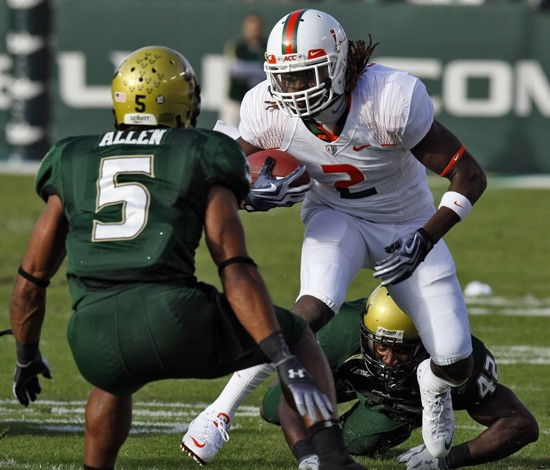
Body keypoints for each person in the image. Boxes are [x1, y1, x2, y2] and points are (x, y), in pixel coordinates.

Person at [8, 45, 368, 470]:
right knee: (297, 333)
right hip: (175, 318)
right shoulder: (204, 149)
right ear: (184, 103)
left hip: (92, 335)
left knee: (111, 381)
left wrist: (26, 355)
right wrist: (281, 355)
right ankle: (332, 456)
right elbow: (234, 267)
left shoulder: (70, 155)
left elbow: (30, 280)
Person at [182, 7, 488, 465]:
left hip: (407, 224)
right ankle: (219, 411)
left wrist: (424, 238)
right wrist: (246, 193)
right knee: (313, 306)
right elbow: (217, 173)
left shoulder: (390, 96)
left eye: (306, 76)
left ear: (339, 64)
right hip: (335, 214)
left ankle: (433, 383)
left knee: (456, 362)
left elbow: (468, 175)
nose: (292, 91)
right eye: (284, 79)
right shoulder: (266, 108)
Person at [261, 285, 539, 469]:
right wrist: (305, 454)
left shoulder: (456, 359)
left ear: (426, 342)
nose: (390, 359)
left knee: (352, 443)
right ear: (366, 335)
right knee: (272, 406)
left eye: (403, 350)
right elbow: (293, 390)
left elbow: (520, 424)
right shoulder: (338, 330)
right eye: (381, 346)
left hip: (394, 405)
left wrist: (447, 460)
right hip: (351, 375)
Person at [219, 12, 267, 127]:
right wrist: (258, 69)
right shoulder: (237, 47)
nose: (254, 31)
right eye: (250, 28)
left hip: (258, 103)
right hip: (236, 99)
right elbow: (235, 69)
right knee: (228, 135)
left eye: (256, 27)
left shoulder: (267, 46)